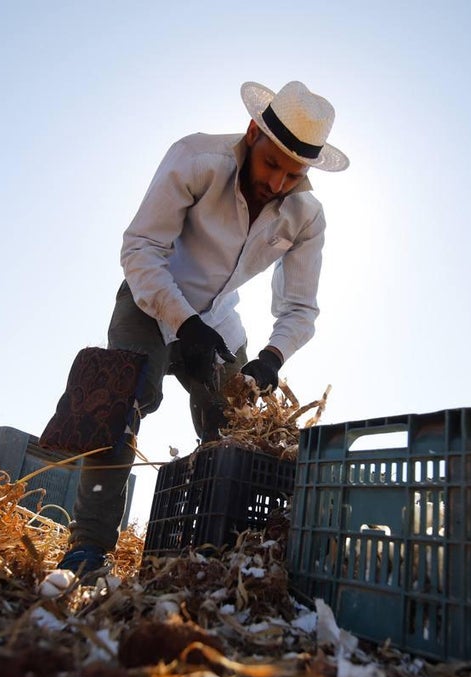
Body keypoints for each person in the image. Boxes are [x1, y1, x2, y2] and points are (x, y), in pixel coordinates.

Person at [56, 80, 348, 577]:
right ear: (254, 132)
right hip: (151, 300)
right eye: (272, 164)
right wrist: (181, 322)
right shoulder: (196, 157)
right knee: (120, 406)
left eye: (293, 174)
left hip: (218, 326)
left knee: (233, 433)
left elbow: (300, 307)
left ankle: (217, 549)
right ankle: (89, 547)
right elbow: (140, 249)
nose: (277, 183)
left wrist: (271, 360)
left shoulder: (307, 216)